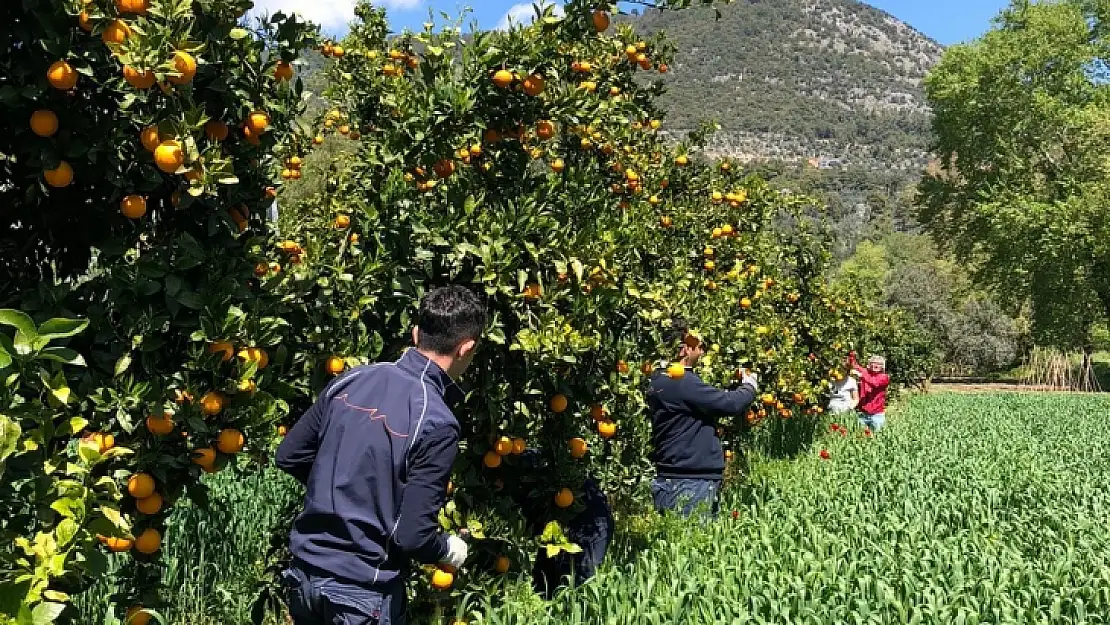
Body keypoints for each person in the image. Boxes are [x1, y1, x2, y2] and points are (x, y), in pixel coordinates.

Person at [275, 286, 486, 625]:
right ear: (466, 348)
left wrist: (343, 490)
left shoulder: (352, 379)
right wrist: (448, 549)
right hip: (362, 592)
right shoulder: (436, 421)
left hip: (303, 579)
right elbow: (413, 536)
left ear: (416, 333)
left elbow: (290, 455)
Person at [646, 318, 759, 518]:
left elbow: (705, 401)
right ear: (684, 350)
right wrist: (749, 387)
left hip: (674, 479)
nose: (702, 351)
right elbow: (729, 404)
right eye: (699, 346)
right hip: (689, 483)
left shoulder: (659, 379)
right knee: (692, 543)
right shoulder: (681, 382)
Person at [512, 450, 614, 599]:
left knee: (583, 583)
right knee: (546, 585)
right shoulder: (521, 475)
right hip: (557, 520)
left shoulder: (538, 473)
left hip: (590, 520)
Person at [850, 352, 891, 431]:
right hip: (863, 414)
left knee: (878, 437)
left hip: (877, 415)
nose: (876, 365)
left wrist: (861, 376)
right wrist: (852, 354)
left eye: (879, 364)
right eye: (873, 363)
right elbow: (855, 365)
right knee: (860, 436)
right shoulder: (866, 373)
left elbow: (875, 383)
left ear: (882, 366)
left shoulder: (884, 377)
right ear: (869, 364)